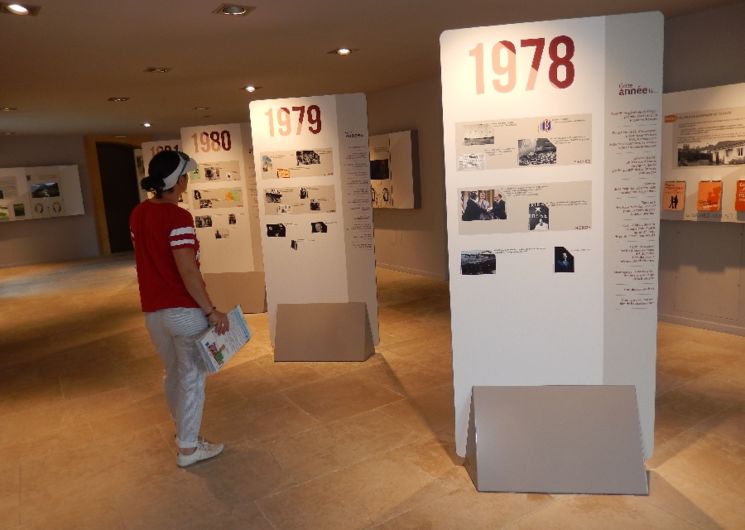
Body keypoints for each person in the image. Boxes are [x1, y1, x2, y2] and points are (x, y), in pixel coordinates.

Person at [129, 150, 229, 468]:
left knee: (173, 373)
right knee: (192, 378)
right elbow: (188, 271)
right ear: (180, 180)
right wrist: (211, 310)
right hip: (183, 312)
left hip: (153, 312)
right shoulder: (178, 217)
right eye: (187, 176)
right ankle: (188, 448)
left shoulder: (138, 213)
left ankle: (183, 433)